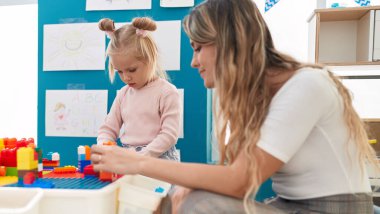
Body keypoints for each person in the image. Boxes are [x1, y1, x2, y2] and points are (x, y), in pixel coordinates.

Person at [91, 1, 378, 213]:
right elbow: (235, 173)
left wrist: (139, 161)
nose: (194, 62)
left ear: (230, 43)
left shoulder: (306, 86)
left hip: (332, 209)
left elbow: (240, 180)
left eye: (198, 48)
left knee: (198, 203)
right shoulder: (262, 96)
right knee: (181, 198)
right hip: (291, 205)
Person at [97, 17, 181, 161]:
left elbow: (169, 134)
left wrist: (143, 156)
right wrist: (105, 146)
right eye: (120, 72)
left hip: (159, 159)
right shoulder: (123, 94)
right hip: (130, 158)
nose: (126, 78)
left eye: (131, 70)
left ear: (150, 59)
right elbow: (108, 129)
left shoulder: (167, 92)